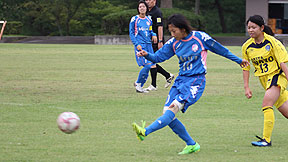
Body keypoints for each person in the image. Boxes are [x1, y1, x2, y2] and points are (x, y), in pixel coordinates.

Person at [132, 14, 249, 154]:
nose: (172, 34)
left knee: (173, 108)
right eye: (170, 31)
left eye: (174, 31)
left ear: (183, 29)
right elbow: (158, 57)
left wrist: (238, 60)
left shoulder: (200, 38)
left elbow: (220, 50)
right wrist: (146, 54)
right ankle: (191, 144)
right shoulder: (174, 42)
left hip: (195, 81)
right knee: (167, 113)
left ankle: (145, 131)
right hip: (180, 80)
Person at [242, 15, 288, 147]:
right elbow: (245, 67)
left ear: (262, 28)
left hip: (277, 77)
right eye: (249, 27)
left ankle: (266, 140)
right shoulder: (247, 46)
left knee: (266, 104)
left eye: (253, 27)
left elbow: (283, 63)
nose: (250, 30)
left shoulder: (272, 42)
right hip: (265, 81)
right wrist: (246, 87)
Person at [143, 0, 174, 91]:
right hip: (149, 40)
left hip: (156, 40)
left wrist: (160, 41)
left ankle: (154, 85)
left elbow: (160, 27)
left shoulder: (157, 12)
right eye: (146, 0)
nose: (148, 2)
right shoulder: (147, 11)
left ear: (154, 1)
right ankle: (167, 75)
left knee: (151, 62)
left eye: (150, 0)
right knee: (150, 61)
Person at [129, 0, 157, 93]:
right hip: (141, 46)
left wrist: (154, 34)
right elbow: (132, 33)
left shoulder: (149, 19)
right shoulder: (134, 19)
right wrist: (137, 44)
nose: (142, 8)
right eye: (140, 6)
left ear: (146, 8)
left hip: (149, 45)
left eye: (143, 6)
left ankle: (139, 86)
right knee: (147, 65)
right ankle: (138, 83)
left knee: (152, 65)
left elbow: (150, 30)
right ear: (138, 9)